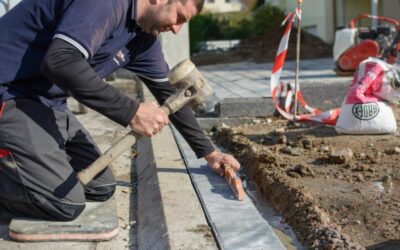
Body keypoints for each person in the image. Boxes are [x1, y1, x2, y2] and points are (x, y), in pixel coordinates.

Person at [0, 0, 240, 221]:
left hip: (45, 102)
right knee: (63, 203)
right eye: (179, 16)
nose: (177, 29)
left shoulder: (142, 40)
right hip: (9, 92)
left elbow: (170, 96)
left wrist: (210, 153)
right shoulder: (106, 3)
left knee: (99, 186)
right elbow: (60, 60)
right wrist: (132, 112)